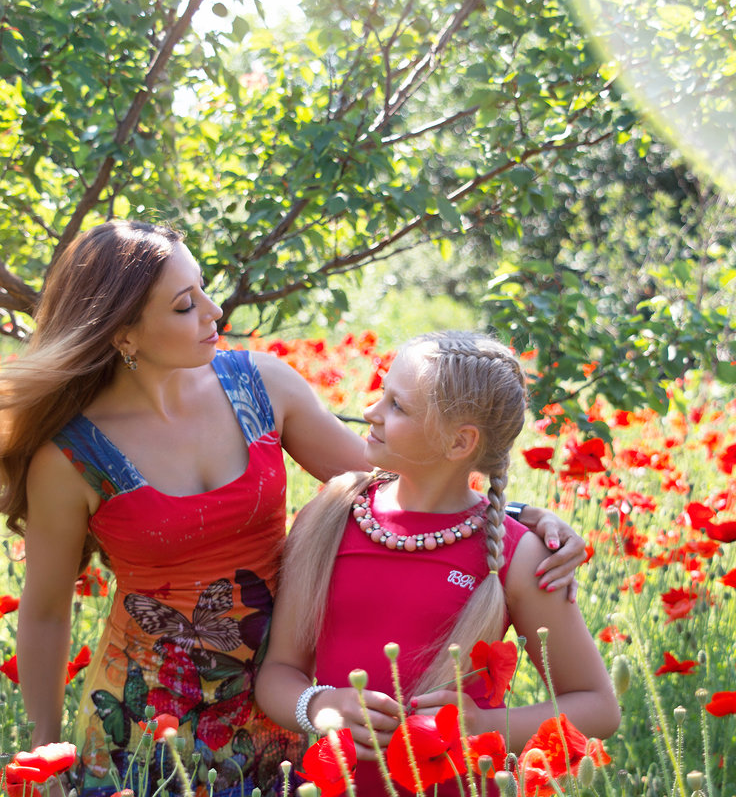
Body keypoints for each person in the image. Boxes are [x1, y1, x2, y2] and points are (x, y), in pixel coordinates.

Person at [0, 221, 585, 797]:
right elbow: (42, 613)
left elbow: (397, 476)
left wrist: (518, 516)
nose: (213, 310)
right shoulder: (71, 458)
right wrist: (45, 751)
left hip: (287, 700)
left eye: (202, 289)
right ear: (123, 334)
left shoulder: (262, 387)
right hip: (147, 711)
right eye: (184, 305)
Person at [255, 331, 621, 797]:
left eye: (397, 406)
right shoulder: (328, 518)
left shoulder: (517, 555)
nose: (370, 413)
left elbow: (598, 707)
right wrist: (320, 705)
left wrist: (488, 725)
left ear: (458, 443)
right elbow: (278, 674)